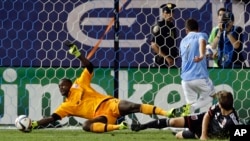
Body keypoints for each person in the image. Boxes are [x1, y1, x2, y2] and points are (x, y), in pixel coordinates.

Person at [30, 43, 175, 133]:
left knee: (132, 106)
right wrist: (35, 124)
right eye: (59, 86)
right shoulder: (65, 106)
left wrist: (78, 55)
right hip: (103, 118)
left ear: (69, 83)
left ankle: (166, 113)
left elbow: (89, 66)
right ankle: (120, 127)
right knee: (86, 126)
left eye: (63, 84)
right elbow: (52, 118)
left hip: (108, 104)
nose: (60, 87)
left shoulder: (79, 83)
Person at [131, 90, 240, 140]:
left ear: (221, 105)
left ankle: (183, 133)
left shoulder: (232, 122)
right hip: (202, 123)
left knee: (179, 136)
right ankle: (143, 126)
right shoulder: (217, 106)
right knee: (173, 121)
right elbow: (207, 116)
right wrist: (204, 135)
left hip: (210, 133)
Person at [176, 18, 215, 116]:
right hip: (199, 76)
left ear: (186, 30)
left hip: (185, 79)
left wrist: (205, 53)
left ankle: (186, 129)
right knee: (212, 95)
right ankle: (194, 107)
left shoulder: (182, 41)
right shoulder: (201, 35)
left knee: (190, 105)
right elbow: (202, 42)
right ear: (198, 28)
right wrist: (202, 55)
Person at [151, 3, 178, 67]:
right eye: (167, 13)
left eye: (171, 12)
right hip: (161, 63)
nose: (170, 15)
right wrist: (166, 57)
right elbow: (153, 45)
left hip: (171, 62)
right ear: (163, 14)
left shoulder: (172, 26)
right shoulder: (159, 25)